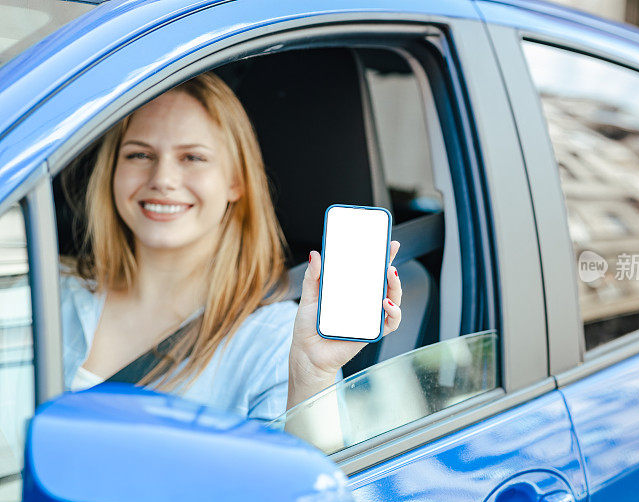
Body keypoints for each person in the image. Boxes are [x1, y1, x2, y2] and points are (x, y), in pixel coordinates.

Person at [59, 72, 402, 421]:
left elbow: (304, 472)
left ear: (235, 181)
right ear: (112, 170)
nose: (162, 179)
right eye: (139, 155)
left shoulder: (278, 341)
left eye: (192, 157)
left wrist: (313, 376)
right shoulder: (50, 288)